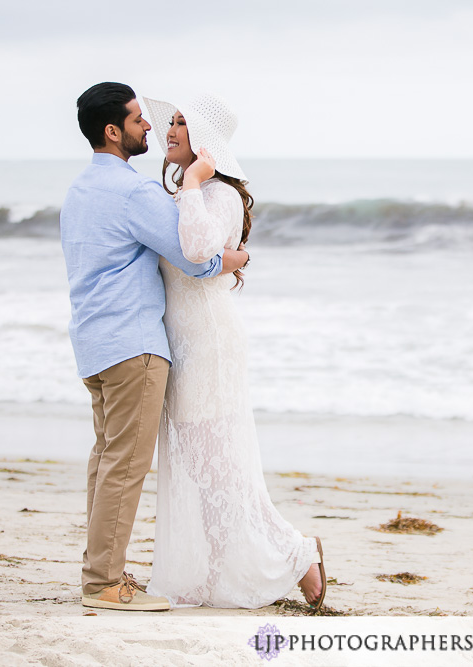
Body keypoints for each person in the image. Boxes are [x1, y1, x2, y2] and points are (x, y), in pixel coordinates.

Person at [60, 82, 249, 611]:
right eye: (139, 119)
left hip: (93, 342)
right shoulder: (134, 192)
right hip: (135, 346)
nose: (151, 127)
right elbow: (192, 257)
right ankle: (103, 583)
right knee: (123, 465)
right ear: (113, 131)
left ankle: (100, 574)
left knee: (105, 461)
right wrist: (230, 262)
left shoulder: (80, 190)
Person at [141, 92, 327, 612]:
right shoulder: (185, 190)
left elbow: (200, 252)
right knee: (204, 470)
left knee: (219, 468)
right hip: (185, 339)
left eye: (182, 124)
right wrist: (188, 188)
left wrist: (196, 182)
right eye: (170, 122)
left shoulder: (213, 192)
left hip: (209, 342)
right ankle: (219, 572)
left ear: (206, 143)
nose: (171, 130)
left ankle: (298, 553)